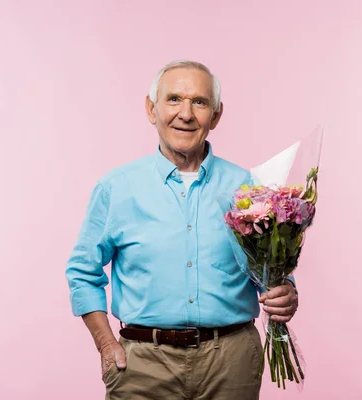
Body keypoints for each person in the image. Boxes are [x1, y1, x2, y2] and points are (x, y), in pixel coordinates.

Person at [65, 60, 299, 400]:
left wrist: (286, 292)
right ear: (151, 109)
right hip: (142, 365)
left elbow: (270, 270)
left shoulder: (247, 188)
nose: (185, 114)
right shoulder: (116, 188)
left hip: (231, 362)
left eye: (199, 102)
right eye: (173, 99)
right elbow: (82, 272)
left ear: (216, 115)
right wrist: (105, 345)